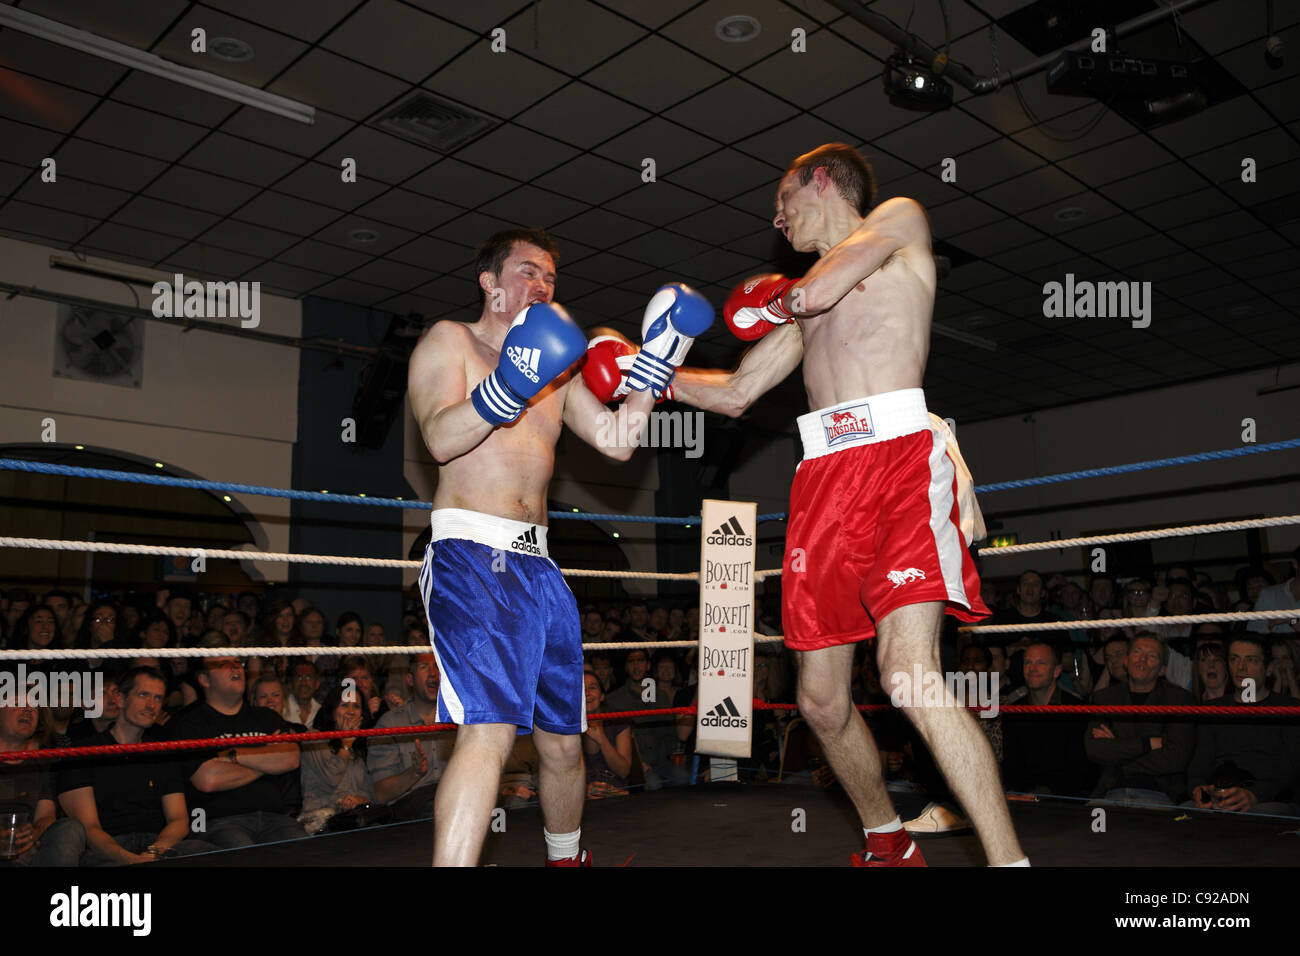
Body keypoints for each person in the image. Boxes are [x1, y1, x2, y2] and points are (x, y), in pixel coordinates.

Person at [672, 143, 1023, 866]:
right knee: (822, 703)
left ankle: (1009, 862)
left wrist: (774, 297)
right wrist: (650, 373)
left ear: (822, 180)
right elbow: (737, 391)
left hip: (897, 461)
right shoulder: (804, 298)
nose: (777, 216)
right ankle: (886, 840)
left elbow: (812, 293)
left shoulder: (898, 222)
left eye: (783, 198)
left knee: (906, 674)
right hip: (823, 479)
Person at [405, 227, 711, 866]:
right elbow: (437, 438)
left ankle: (566, 860)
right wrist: (505, 387)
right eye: (526, 271)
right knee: (487, 731)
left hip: (540, 564)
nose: (541, 285)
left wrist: (656, 364)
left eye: (549, 276)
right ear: (489, 283)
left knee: (564, 741)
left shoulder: (560, 370)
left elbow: (618, 440)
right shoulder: (449, 340)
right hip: (471, 552)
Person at [57, 666, 216, 864]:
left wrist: (151, 853)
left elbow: (179, 820)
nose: (151, 705)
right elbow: (89, 828)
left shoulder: (161, 753)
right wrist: (130, 860)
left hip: (156, 845)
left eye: (158, 698)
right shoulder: (84, 752)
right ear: (121, 699)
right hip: (106, 850)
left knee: (212, 853)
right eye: (143, 695)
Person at [165, 655, 307, 848]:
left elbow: (290, 758)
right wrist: (267, 759)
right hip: (218, 821)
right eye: (225, 664)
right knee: (243, 854)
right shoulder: (190, 724)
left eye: (238, 663)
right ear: (205, 680)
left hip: (274, 817)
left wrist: (231, 756)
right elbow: (207, 779)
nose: (236, 668)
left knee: (304, 849)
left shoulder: (265, 717)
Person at [1085, 633, 1196, 806]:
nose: (1142, 660)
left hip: (1161, 794)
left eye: (1152, 656)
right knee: (1087, 828)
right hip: (1110, 792)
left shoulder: (1180, 699)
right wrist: (1148, 743)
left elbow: (1176, 758)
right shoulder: (1105, 698)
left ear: (1162, 669)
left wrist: (1117, 747)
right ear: (1126, 662)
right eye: (1137, 652)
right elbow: (1095, 749)